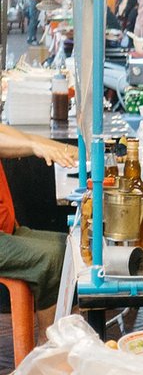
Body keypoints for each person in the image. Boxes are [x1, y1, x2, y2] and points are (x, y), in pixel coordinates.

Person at [0, 125, 77, 341]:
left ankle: (66, 340)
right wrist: (34, 147)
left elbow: (25, 136)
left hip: (6, 229)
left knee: (69, 248)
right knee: (51, 257)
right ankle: (48, 345)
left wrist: (73, 151)